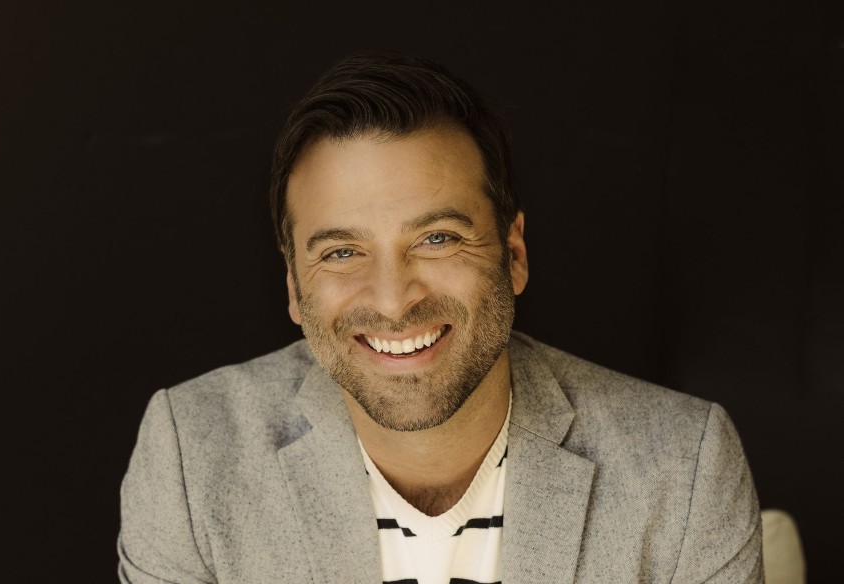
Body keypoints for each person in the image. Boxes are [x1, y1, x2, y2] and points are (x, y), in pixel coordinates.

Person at [118, 51, 763, 583]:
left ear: (513, 255)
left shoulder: (682, 470)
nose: (393, 301)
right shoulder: (193, 458)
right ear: (293, 286)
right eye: (342, 252)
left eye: (437, 239)